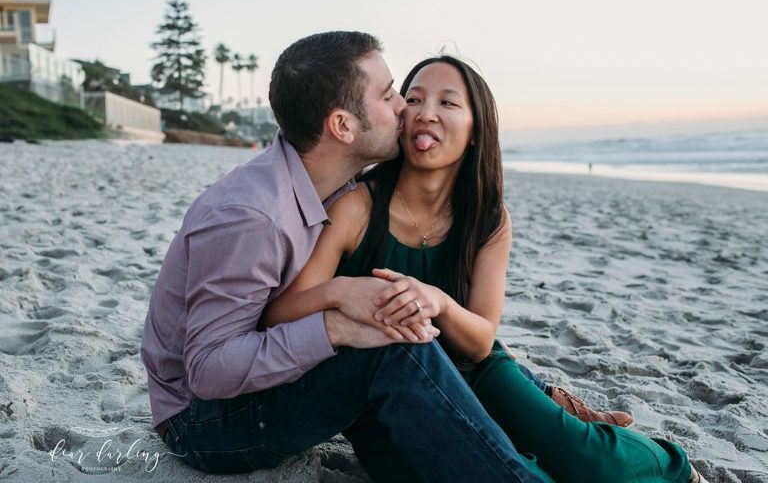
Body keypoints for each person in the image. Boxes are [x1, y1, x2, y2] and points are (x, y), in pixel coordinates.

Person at [263, 55, 707, 483]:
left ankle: (671, 463)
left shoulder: (487, 219)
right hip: (392, 392)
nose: (425, 114)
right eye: (413, 99)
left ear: (476, 130)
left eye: (448, 103)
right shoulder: (357, 206)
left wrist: (438, 301)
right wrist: (342, 290)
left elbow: (479, 340)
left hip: (481, 375)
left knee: (597, 466)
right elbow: (280, 313)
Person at [140, 31, 554, 483]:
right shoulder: (250, 218)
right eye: (388, 94)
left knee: (403, 321)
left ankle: (552, 421)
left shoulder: (334, 184)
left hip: (264, 385)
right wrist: (336, 323)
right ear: (342, 126)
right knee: (389, 348)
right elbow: (207, 372)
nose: (404, 107)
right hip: (203, 423)